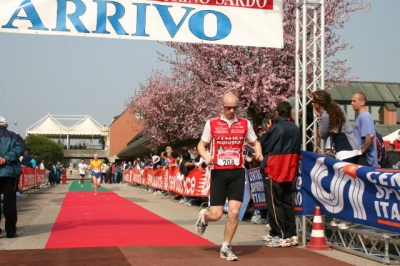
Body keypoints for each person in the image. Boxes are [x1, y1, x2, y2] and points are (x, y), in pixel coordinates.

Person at [196, 92, 263, 261]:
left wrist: (258, 153)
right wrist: (206, 156)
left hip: (238, 173)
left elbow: (255, 142)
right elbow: (201, 145)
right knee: (217, 214)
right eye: (228, 107)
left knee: (234, 212)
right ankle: (205, 216)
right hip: (219, 173)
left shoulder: (244, 124)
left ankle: (226, 247)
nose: (231, 111)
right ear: (222, 106)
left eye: (234, 107)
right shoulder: (211, 124)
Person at [260, 101, 301, 248]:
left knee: (274, 203)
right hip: (289, 167)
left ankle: (280, 234)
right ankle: (291, 233)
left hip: (275, 168)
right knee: (287, 202)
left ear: (277, 113)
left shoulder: (276, 127)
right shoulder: (296, 128)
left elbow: (264, 144)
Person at [312, 90, 361, 163]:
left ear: (318, 104)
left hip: (344, 150)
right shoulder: (338, 108)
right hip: (354, 146)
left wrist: (319, 118)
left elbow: (323, 134)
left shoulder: (326, 115)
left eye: (313, 101)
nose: (312, 104)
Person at [0, 116, 25, 238]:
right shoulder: (15, 136)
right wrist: (5, 158)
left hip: (7, 171)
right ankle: (10, 231)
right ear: (7, 125)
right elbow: (20, 149)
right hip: (9, 172)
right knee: (9, 202)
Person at [351, 92, 378, 167]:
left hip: (365, 159)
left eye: (354, 101)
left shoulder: (365, 116)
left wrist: (363, 150)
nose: (352, 103)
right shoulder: (362, 116)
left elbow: (370, 135)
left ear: (362, 102)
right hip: (363, 157)